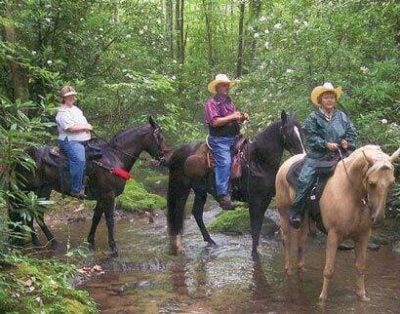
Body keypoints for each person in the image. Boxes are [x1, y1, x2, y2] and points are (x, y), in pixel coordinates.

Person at [289, 82, 357, 229]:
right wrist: (325, 144)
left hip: (340, 154)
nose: (330, 100)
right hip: (318, 155)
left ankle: (362, 217)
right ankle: (296, 212)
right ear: (320, 100)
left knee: (361, 175)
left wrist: (347, 142)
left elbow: (352, 133)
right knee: (304, 180)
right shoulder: (313, 118)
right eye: (326, 97)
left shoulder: (342, 117)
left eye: (332, 97)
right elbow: (311, 137)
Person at [204, 74, 249, 210]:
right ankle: (223, 195)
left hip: (235, 138)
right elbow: (215, 121)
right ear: (217, 87)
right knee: (225, 162)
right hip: (219, 140)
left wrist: (241, 117)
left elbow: (234, 118)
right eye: (223, 85)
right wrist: (233, 116)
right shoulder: (211, 103)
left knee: (248, 155)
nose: (226, 87)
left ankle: (244, 190)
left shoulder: (230, 102)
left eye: (227, 85)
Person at [56, 86, 93, 199]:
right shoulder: (62, 112)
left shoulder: (76, 110)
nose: (71, 97)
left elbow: (82, 123)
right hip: (71, 141)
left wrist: (86, 127)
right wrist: (86, 126)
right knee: (79, 160)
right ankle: (76, 189)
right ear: (63, 98)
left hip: (84, 140)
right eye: (68, 96)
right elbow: (70, 128)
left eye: (72, 95)